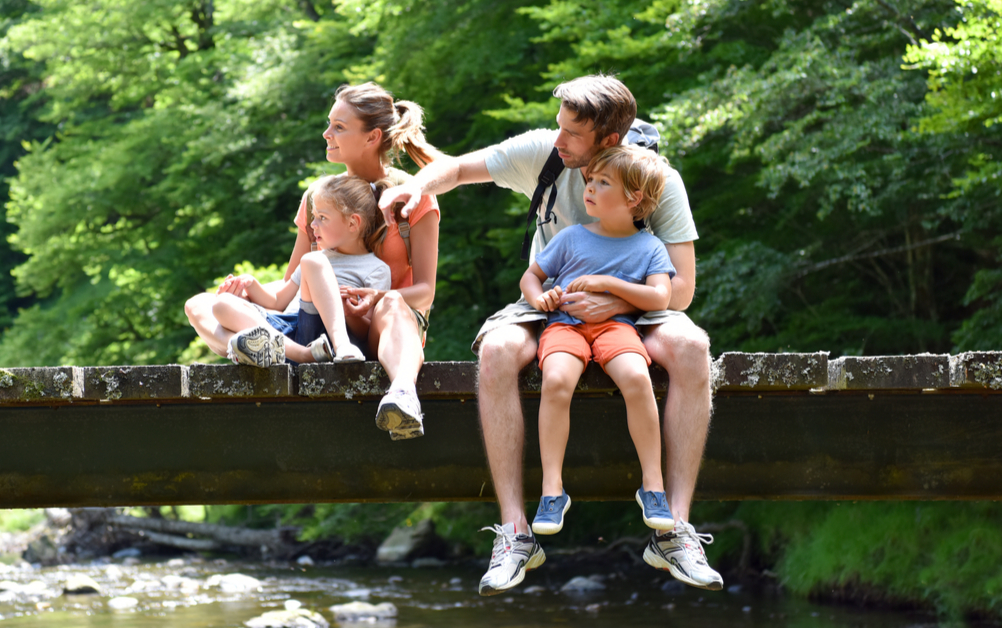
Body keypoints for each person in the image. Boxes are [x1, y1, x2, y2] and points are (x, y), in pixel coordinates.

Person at [378, 73, 721, 593]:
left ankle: (674, 531)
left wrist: (619, 296)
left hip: (638, 307)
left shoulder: (655, 181)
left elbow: (683, 289)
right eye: (558, 127)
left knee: (693, 346)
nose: (557, 141)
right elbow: (455, 170)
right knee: (495, 349)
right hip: (549, 305)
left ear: (609, 139)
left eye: (572, 134)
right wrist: (414, 187)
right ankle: (516, 534)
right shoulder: (546, 152)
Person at [185, 82, 443, 440]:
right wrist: (249, 291)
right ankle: (281, 351)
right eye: (329, 124)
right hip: (314, 327)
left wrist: (376, 298)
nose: (326, 134)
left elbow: (425, 293)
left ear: (372, 137)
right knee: (201, 304)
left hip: (380, 326)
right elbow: (294, 280)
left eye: (339, 126)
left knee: (395, 301)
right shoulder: (317, 197)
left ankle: (402, 393)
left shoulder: (414, 196)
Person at [521, 146, 676, 542]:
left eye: (602, 183)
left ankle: (653, 486)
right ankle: (552, 490)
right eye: (590, 180)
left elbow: (660, 297)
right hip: (565, 326)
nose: (589, 188)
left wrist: (606, 283)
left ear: (633, 198)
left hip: (616, 328)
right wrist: (540, 298)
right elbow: (531, 277)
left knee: (637, 380)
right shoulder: (572, 237)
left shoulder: (649, 247)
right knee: (556, 381)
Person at [211, 174, 392, 366]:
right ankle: (301, 354)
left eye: (323, 218)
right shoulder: (318, 258)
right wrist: (251, 285)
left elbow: (368, 332)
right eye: (314, 217)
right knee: (221, 304)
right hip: (293, 334)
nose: (313, 225)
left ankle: (342, 345)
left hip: (329, 338)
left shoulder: (375, 269)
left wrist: (349, 312)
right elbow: (277, 302)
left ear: (352, 223)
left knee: (312, 260)